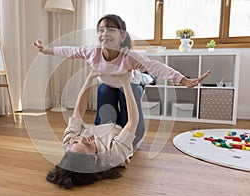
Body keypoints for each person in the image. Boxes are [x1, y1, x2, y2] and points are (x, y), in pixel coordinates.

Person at [34, 14, 211, 150]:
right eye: (101, 30)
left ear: (122, 35)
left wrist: (184, 80)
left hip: (130, 83)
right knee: (104, 97)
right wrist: (45, 50)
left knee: (133, 122)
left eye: (111, 29)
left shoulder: (129, 56)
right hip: (109, 85)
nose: (104, 34)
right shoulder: (92, 52)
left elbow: (155, 65)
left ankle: (146, 79)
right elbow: (70, 51)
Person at [47, 70, 139, 189]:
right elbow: (133, 121)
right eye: (88, 145)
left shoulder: (68, 141)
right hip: (127, 130)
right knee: (128, 89)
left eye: (76, 141)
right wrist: (126, 83)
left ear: (69, 146)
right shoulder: (111, 156)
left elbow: (79, 111)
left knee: (104, 90)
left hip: (105, 127)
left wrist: (90, 78)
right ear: (96, 159)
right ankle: (147, 77)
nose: (83, 138)